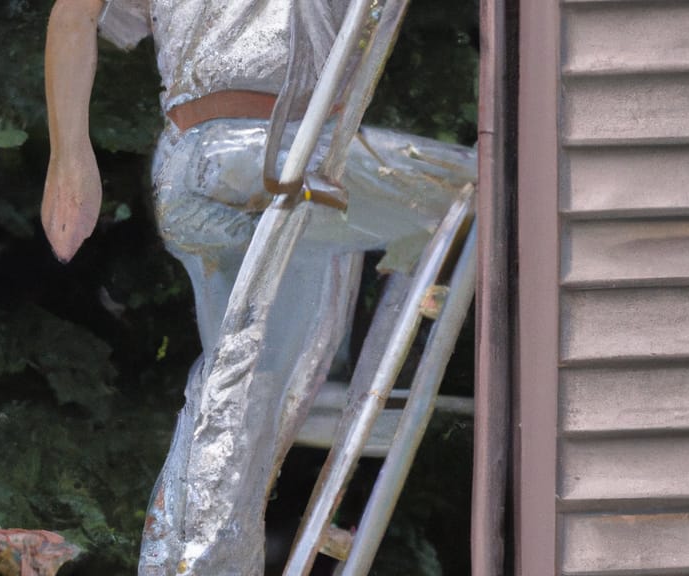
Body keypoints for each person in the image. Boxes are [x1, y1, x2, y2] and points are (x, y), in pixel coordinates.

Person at [41, 1, 476, 574]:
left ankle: (184, 564)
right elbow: (74, 12)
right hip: (247, 163)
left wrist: (70, 156)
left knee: (248, 394)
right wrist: (68, 157)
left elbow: (72, 14)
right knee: (469, 190)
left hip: (249, 170)